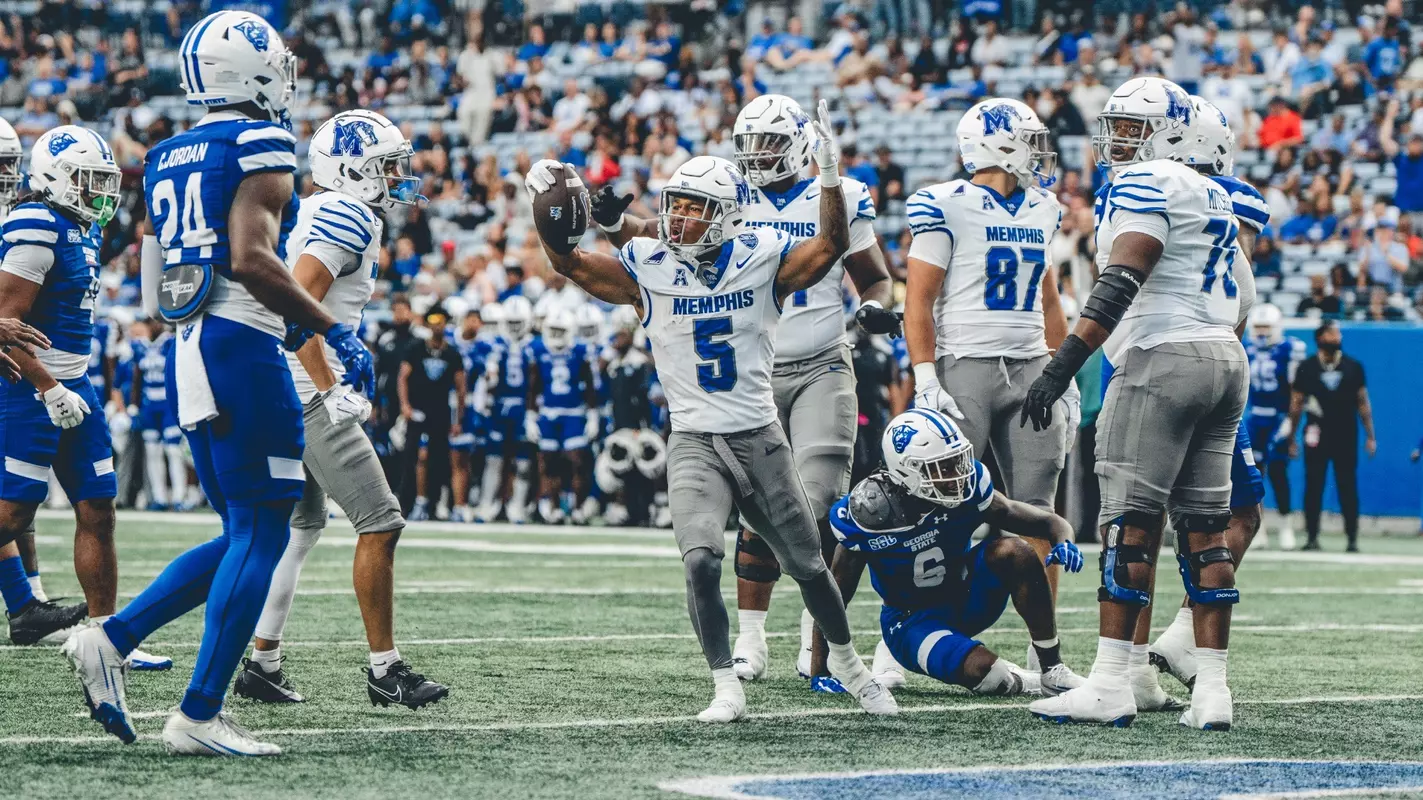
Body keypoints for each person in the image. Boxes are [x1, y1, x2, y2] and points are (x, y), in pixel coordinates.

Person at [63, 12, 374, 756]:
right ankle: (199, 712)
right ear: (255, 68)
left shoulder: (169, 151)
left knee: (244, 528)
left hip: (191, 343)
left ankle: (114, 638)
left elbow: (154, 267)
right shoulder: (260, 140)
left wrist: (291, 325)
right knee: (264, 527)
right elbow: (252, 259)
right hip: (240, 344)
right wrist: (328, 329)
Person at [525, 120, 897, 722]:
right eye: (676, 206)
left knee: (808, 564)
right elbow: (572, 264)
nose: (678, 220)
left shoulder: (761, 259)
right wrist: (547, 215)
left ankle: (848, 664)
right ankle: (726, 683)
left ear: (725, 217)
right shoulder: (649, 263)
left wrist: (829, 177)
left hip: (759, 437)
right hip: (695, 440)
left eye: (695, 209)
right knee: (700, 559)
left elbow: (830, 248)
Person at [1020, 77, 1247, 731]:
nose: (1118, 139)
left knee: (1129, 525)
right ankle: (1213, 692)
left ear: (1172, 130)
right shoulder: (1212, 190)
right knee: (1204, 531)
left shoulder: (1146, 184)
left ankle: (1111, 682)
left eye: (1132, 128)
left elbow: (1122, 278)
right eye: (1115, 125)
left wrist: (1060, 367)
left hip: (1161, 357)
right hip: (1222, 358)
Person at [233, 110, 447, 709]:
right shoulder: (345, 212)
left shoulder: (334, 211)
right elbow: (294, 308)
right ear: (351, 168)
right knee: (381, 521)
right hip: (305, 393)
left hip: (287, 388)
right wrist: (329, 388)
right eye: (385, 166)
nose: (397, 175)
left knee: (298, 532)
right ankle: (386, 671)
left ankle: (261, 663)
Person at [901, 97, 1076, 677]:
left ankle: (1046, 659)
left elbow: (1047, 296)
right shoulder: (943, 203)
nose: (1039, 151)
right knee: (935, 507)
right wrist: (925, 376)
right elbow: (918, 298)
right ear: (998, 144)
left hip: (1030, 368)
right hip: (964, 365)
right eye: (1028, 139)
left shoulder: (1044, 207)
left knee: (1038, 511)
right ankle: (904, 629)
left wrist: (1062, 368)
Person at [826, 408, 1085, 696]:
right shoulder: (871, 513)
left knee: (1016, 551)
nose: (957, 476)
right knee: (992, 677)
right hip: (911, 621)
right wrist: (820, 669)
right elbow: (834, 592)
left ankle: (1052, 669)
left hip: (963, 597)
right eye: (943, 468)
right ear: (906, 470)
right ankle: (1022, 678)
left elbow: (1046, 522)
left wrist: (1064, 540)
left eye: (956, 462)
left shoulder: (968, 488)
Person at [0, 126, 137, 656]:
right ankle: (29, 605)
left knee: (98, 506)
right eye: (87, 179)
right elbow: (6, 324)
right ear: (54, 177)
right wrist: (49, 387)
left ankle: (107, 636)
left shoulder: (83, 227)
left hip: (75, 383)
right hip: (29, 385)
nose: (98, 191)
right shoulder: (35, 220)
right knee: (13, 513)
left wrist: (66, 386)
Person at [1286, 321, 1374, 552]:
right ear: (1320, 338)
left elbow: (1363, 402)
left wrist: (1370, 435)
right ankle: (1312, 536)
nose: (1336, 337)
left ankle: (1352, 538)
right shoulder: (1306, 367)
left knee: (1347, 486)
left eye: (1337, 334)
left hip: (1346, 433)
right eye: (1331, 333)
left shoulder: (1354, 367)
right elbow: (1295, 405)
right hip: (1316, 433)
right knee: (1313, 485)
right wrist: (1291, 437)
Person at [525, 307, 599, 524]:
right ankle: (555, 507)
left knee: (577, 460)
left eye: (560, 330)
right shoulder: (539, 350)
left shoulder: (580, 350)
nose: (556, 335)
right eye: (553, 330)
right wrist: (530, 415)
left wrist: (592, 413)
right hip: (548, 412)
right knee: (549, 461)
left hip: (573, 412)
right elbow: (534, 385)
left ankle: (577, 508)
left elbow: (589, 386)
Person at [1243, 305, 1305, 550]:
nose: (1261, 333)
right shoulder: (1246, 349)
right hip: (1254, 417)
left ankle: (1285, 527)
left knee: (1279, 472)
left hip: (1278, 417)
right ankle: (1259, 529)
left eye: (1266, 327)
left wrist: (1290, 420)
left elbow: (1295, 389)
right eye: (1258, 327)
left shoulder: (1289, 349)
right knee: (1254, 476)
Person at [399, 305, 465, 521]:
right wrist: (405, 405)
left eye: (442, 320)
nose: (438, 324)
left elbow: (461, 387)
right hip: (418, 410)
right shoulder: (415, 348)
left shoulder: (452, 353)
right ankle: (412, 503)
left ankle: (435, 504)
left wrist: (458, 420)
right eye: (434, 319)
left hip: (440, 413)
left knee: (438, 460)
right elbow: (403, 377)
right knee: (415, 457)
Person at [476, 294, 535, 523]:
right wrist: (485, 400)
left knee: (522, 460)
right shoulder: (497, 344)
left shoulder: (534, 345)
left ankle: (517, 505)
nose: (514, 328)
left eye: (518, 323)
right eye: (511, 323)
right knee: (494, 458)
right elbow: (488, 377)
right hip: (500, 407)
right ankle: (487, 502)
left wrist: (532, 412)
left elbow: (536, 383)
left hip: (522, 408)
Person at [130, 318, 184, 511]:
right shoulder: (139, 346)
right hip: (149, 405)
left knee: (173, 451)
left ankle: (179, 496)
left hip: (169, 404)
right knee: (153, 452)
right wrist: (134, 405)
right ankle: (159, 497)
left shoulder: (171, 342)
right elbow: (137, 376)